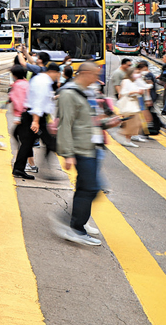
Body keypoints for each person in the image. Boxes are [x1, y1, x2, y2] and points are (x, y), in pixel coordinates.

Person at [54, 62, 109, 246]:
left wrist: (108, 123)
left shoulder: (88, 91)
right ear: (85, 73)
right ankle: (75, 226)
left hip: (91, 146)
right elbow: (65, 125)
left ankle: (75, 223)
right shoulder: (69, 94)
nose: (97, 79)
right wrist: (68, 153)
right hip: (80, 149)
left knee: (87, 188)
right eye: (95, 75)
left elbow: (91, 120)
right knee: (91, 188)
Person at [12, 63, 62, 179]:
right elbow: (38, 102)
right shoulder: (43, 82)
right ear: (53, 72)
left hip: (35, 116)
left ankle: (19, 169)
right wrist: (36, 121)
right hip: (35, 117)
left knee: (28, 144)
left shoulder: (40, 79)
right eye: (57, 74)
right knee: (48, 143)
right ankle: (45, 171)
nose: (57, 77)